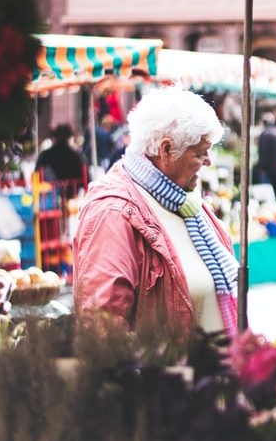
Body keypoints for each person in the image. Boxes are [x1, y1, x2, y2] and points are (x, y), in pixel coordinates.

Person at [75, 89, 237, 333]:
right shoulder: (111, 212)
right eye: (200, 152)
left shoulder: (185, 200)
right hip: (169, 369)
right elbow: (104, 326)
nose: (209, 162)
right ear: (166, 150)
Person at [36, 124, 88, 191]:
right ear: (68, 137)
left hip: (51, 192)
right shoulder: (77, 155)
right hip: (71, 191)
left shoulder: (45, 155)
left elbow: (37, 173)